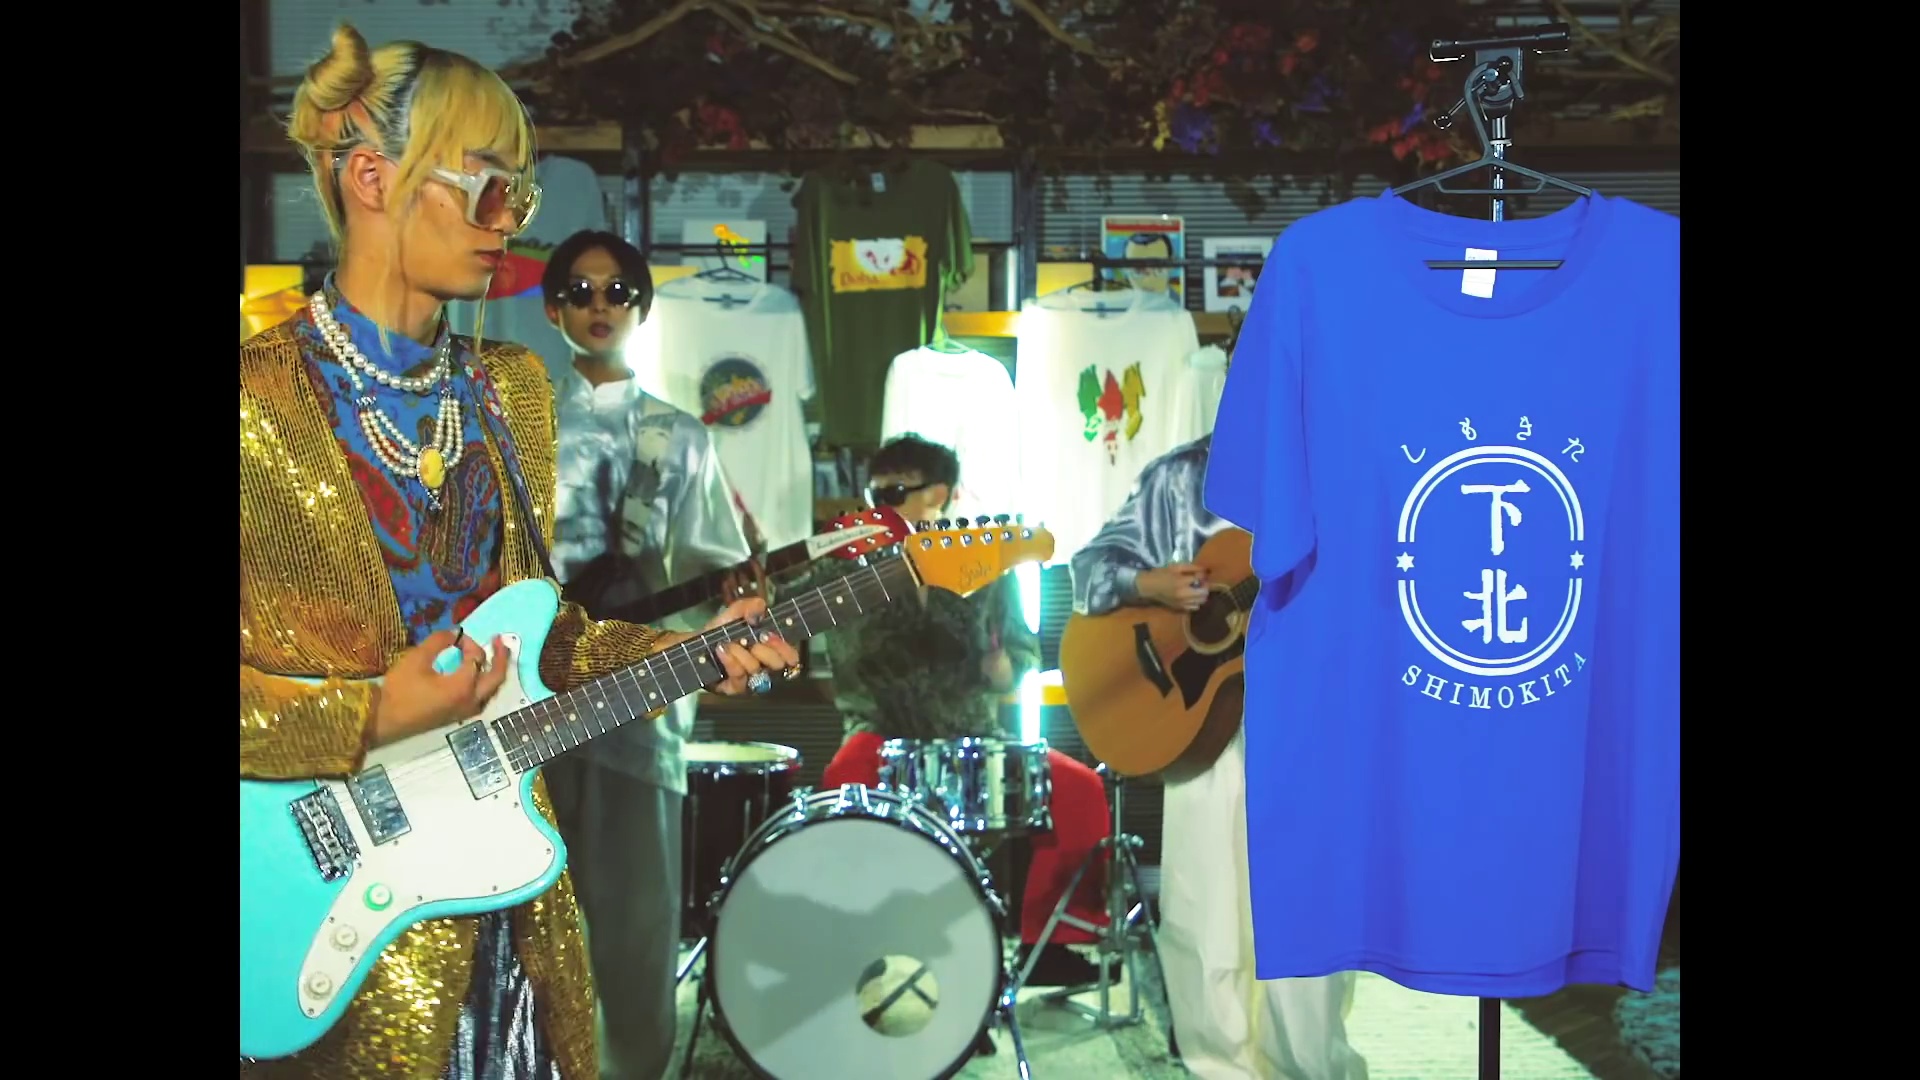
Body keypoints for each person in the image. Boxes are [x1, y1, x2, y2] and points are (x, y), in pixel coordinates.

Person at [240, 25, 797, 1079]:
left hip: (509, 899)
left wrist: (692, 651)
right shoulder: (254, 400)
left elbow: (544, 634)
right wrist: (370, 713)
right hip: (320, 918)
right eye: (486, 189)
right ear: (371, 179)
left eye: (520, 196)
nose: (511, 223)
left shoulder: (511, 392)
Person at [1071, 434, 1368, 1080]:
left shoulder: (1346, 463)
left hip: (1307, 721)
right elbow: (1090, 569)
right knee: (1205, 910)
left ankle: (1308, 1067)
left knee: (1306, 913)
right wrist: (1149, 582)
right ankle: (1219, 1067)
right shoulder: (1181, 477)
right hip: (1198, 720)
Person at [541, 229, 757, 1080]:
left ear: (641, 308)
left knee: (635, 921)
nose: (600, 306)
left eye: (619, 291)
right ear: (552, 307)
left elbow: (714, 569)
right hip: (521, 699)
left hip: (639, 701)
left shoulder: (681, 436)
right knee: (522, 914)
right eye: (581, 291)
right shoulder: (515, 421)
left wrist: (729, 609)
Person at [816, 435, 1120, 1008]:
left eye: (897, 492)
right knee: (841, 784)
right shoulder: (849, 566)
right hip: (881, 732)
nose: (883, 504)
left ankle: (1051, 944)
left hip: (975, 736)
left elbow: (1024, 652)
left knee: (1080, 791)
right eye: (876, 494)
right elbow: (840, 649)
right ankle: (852, 936)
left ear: (942, 495)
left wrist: (1004, 669)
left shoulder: (986, 565)